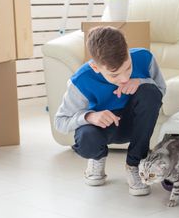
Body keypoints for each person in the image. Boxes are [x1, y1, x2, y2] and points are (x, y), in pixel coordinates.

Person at [55, 26, 165, 196]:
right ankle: (97, 158)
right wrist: (90, 116)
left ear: (128, 50)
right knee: (86, 137)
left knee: (150, 92)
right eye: (114, 75)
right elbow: (60, 122)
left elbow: (161, 91)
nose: (124, 78)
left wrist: (141, 81)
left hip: (134, 123)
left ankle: (134, 165)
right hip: (103, 128)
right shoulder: (81, 80)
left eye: (128, 68)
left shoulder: (144, 58)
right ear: (96, 67)